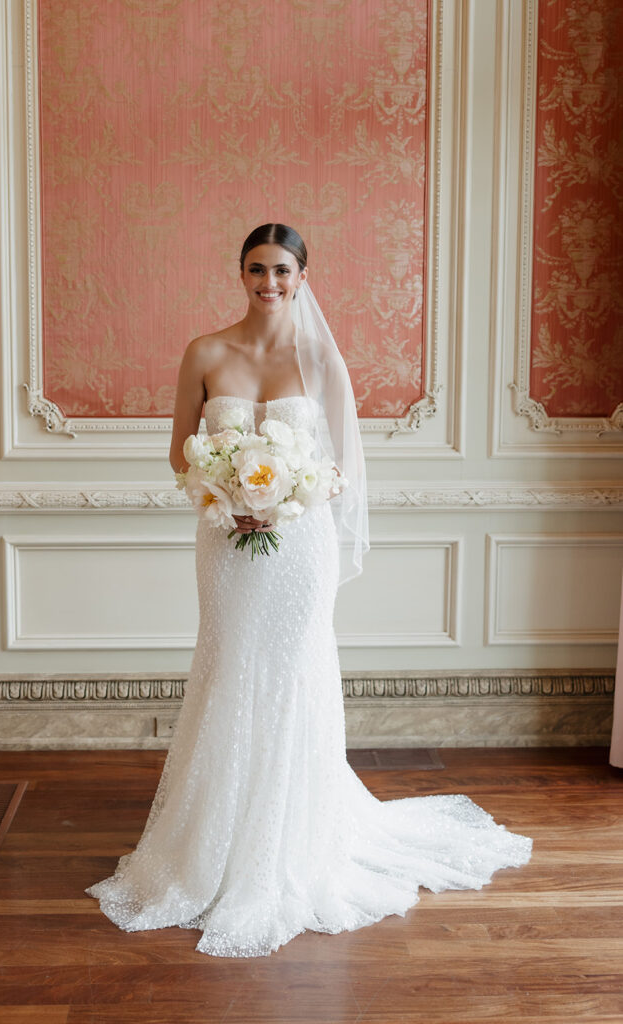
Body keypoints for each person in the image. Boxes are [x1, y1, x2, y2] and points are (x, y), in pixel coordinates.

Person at [85, 223, 532, 958]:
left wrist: (285, 496)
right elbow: (179, 454)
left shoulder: (322, 358)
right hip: (226, 539)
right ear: (240, 272)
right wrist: (229, 494)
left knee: (293, 675)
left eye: (283, 270)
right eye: (257, 269)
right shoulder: (205, 352)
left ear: (301, 276)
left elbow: (342, 469)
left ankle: (290, 842)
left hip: (298, 542)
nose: (269, 282)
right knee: (228, 669)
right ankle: (210, 849)